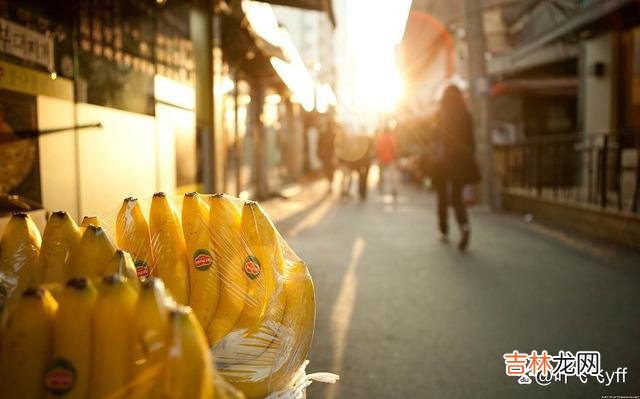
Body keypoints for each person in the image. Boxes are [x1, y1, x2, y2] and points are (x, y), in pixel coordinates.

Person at [431, 85, 480, 251]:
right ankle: (464, 226)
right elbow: (472, 142)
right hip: (460, 163)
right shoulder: (466, 115)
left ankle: (443, 229)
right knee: (458, 199)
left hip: (443, 163)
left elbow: (436, 140)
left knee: (442, 197)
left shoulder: (440, 115)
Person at [375, 121, 399, 198]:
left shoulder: (380, 139)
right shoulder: (391, 138)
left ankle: (380, 186)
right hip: (390, 158)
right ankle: (394, 189)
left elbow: (377, 149)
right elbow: (394, 148)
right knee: (392, 174)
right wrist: (395, 157)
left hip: (381, 158)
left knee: (381, 174)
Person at [317, 122, 336, 194]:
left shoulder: (331, 134)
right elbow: (319, 144)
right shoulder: (326, 134)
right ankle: (330, 183)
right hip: (327, 156)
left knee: (329, 170)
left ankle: (330, 183)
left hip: (328, 156)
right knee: (329, 170)